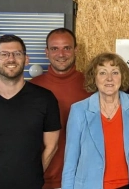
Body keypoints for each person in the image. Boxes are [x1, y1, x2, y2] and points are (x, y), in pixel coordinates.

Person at [0, 35, 61, 189]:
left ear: (26, 59)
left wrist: (32, 173)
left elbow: (52, 146)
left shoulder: (45, 99)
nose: (11, 59)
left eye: (17, 54)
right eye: (4, 54)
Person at [62, 52, 129, 189]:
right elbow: (70, 161)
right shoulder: (79, 110)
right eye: (102, 73)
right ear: (94, 78)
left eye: (115, 72)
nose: (109, 79)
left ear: (122, 76)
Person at [30, 28, 91, 189]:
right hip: (42, 179)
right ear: (46, 52)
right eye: (55, 48)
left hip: (82, 179)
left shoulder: (92, 86)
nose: (61, 54)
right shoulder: (32, 87)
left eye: (67, 48)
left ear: (76, 50)